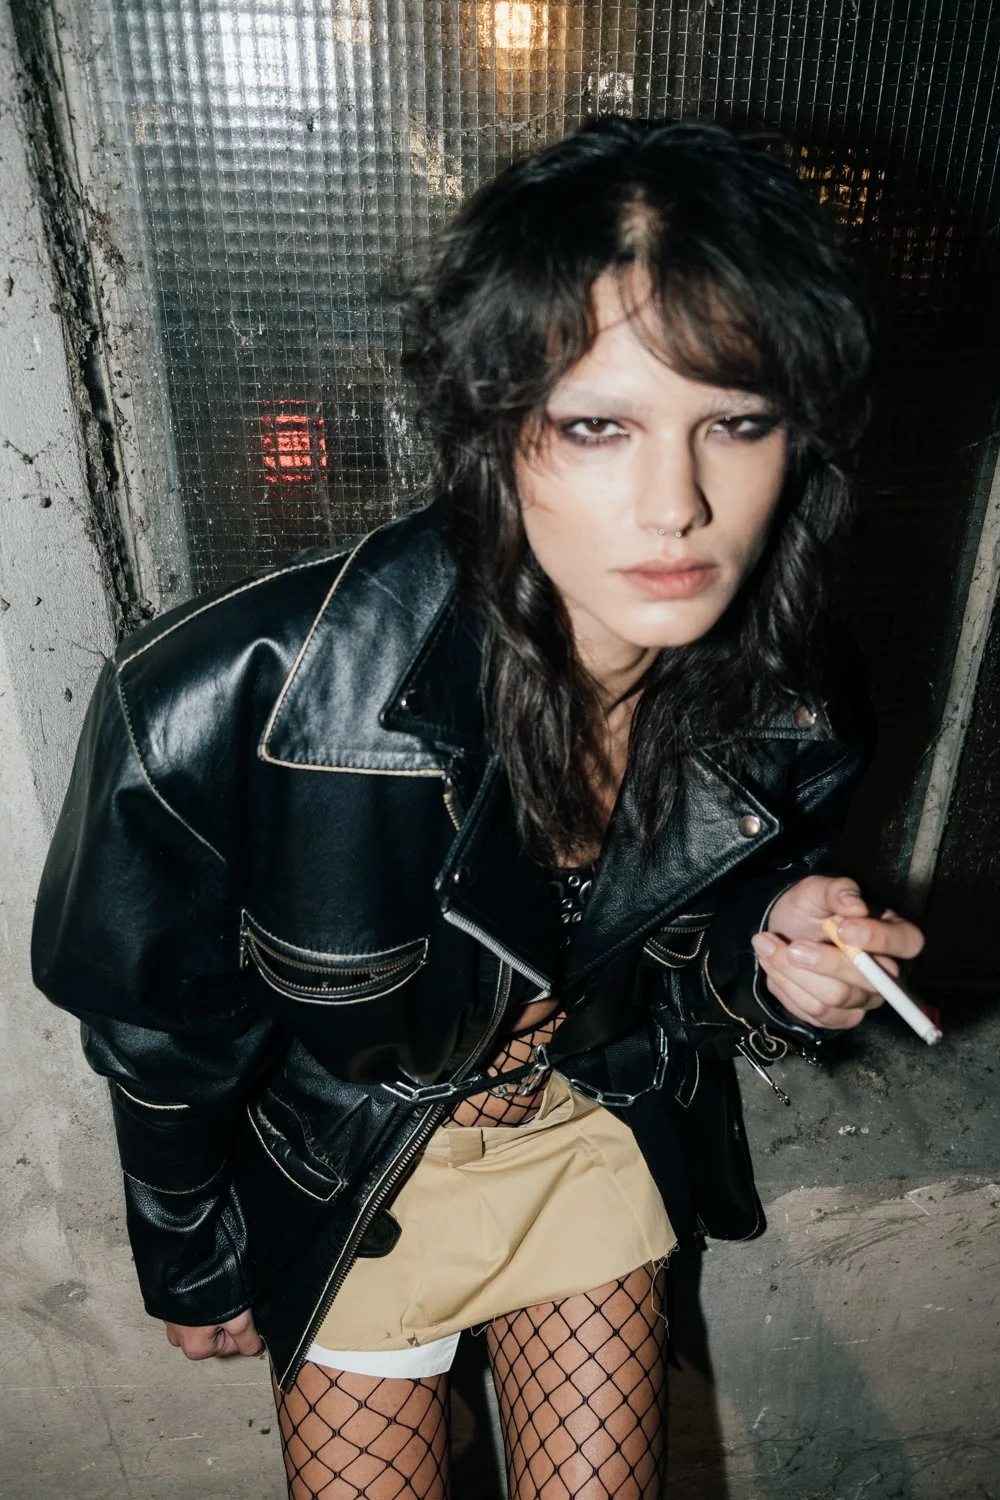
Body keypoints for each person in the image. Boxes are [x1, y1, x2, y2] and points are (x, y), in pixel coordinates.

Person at [32, 117, 924, 1500]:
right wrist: (193, 1251)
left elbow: (678, 965)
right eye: (597, 423)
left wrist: (780, 944)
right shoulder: (221, 701)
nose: (677, 502)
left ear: (799, 435)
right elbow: (159, 1027)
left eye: (736, 421)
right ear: (494, 428)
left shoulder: (793, 695)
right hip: (356, 1178)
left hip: (579, 1134)